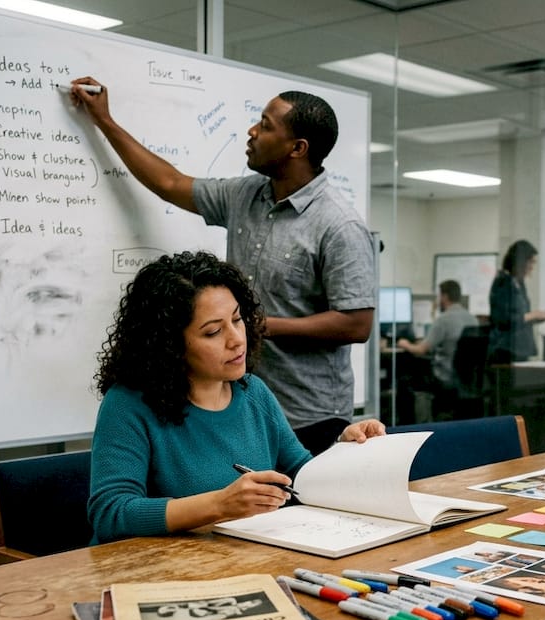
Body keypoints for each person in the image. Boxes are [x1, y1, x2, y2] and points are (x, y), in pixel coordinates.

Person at [68, 78, 376, 455]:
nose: (252, 131)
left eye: (265, 125)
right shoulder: (245, 195)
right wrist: (105, 121)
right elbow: (169, 182)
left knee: (303, 509)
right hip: (242, 404)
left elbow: (356, 323)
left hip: (310, 414)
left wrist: (258, 326)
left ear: (298, 148)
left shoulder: (339, 225)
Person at [88, 251, 384, 544]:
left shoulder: (252, 391)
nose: (237, 338)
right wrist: (219, 505)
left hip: (237, 559)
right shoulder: (128, 404)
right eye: (214, 331)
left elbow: (300, 476)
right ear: (169, 344)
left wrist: (343, 450)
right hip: (154, 576)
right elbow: (111, 513)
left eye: (238, 319)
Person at [396, 279, 479, 399]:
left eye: (439, 296)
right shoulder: (473, 320)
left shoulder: (443, 320)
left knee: (404, 377)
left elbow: (421, 350)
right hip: (468, 380)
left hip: (444, 377)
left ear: (444, 296)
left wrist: (405, 344)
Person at [488, 240, 545, 363]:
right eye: (531, 262)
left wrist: (537, 318)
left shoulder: (519, 283)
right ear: (520, 261)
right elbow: (503, 319)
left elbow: (520, 318)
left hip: (520, 349)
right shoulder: (503, 282)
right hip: (505, 350)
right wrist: (533, 315)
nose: (532, 267)